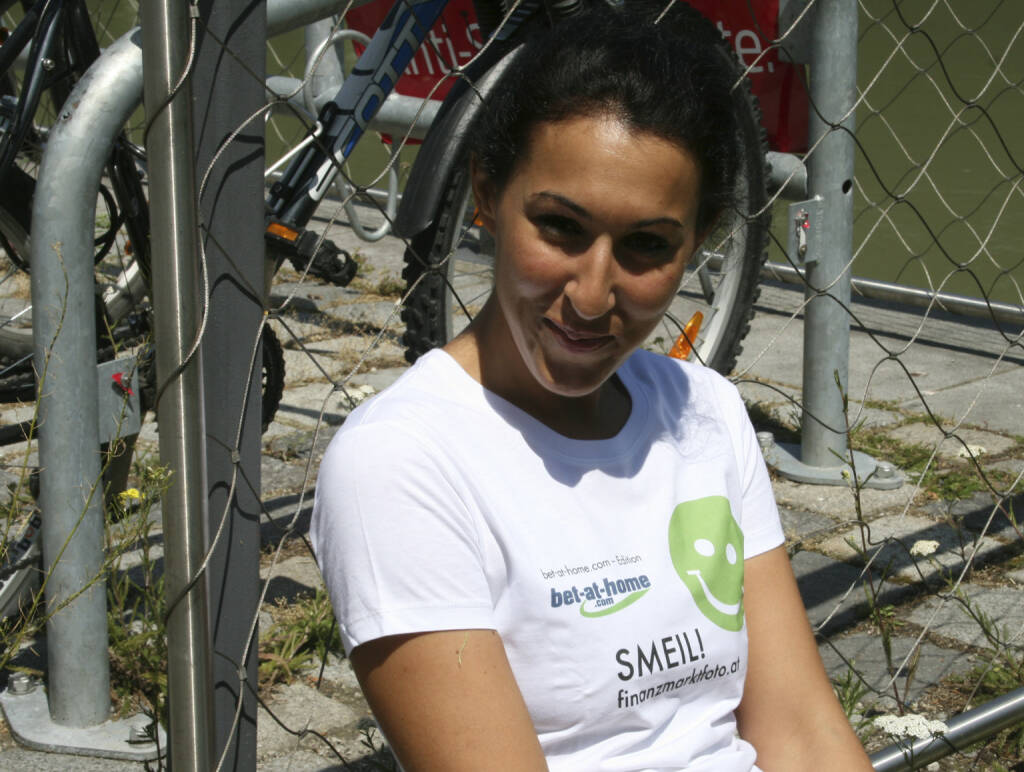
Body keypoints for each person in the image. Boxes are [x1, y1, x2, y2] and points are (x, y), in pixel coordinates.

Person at [312, 4, 874, 769]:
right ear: (486, 195)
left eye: (647, 245)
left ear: (696, 244)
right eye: (560, 227)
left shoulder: (704, 409)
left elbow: (802, 732)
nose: (590, 294)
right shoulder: (402, 461)